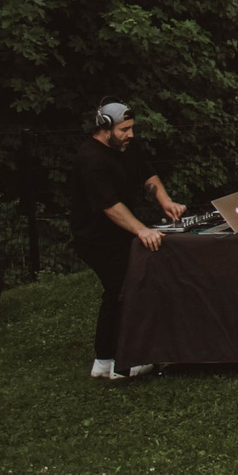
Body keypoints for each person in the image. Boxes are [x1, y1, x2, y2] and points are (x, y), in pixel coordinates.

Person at [70, 101, 183, 381]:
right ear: (105, 127)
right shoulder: (90, 158)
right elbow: (110, 206)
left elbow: (147, 173)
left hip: (118, 234)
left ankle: (106, 360)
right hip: (95, 238)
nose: (130, 134)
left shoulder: (125, 148)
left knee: (120, 290)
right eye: (124, 129)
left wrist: (165, 201)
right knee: (121, 290)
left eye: (132, 128)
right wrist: (142, 230)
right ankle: (118, 363)